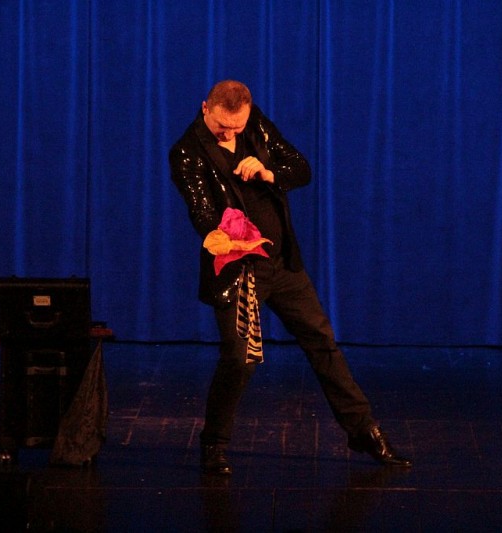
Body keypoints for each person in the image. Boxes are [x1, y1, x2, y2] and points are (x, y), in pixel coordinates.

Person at [169, 80, 411, 475]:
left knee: (322, 341)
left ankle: (363, 430)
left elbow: (300, 169)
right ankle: (214, 443)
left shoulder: (256, 127)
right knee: (239, 359)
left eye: (237, 126)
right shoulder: (187, 152)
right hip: (240, 269)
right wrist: (231, 236)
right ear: (205, 108)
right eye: (223, 127)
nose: (230, 134)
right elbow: (202, 212)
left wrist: (268, 172)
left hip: (281, 263)